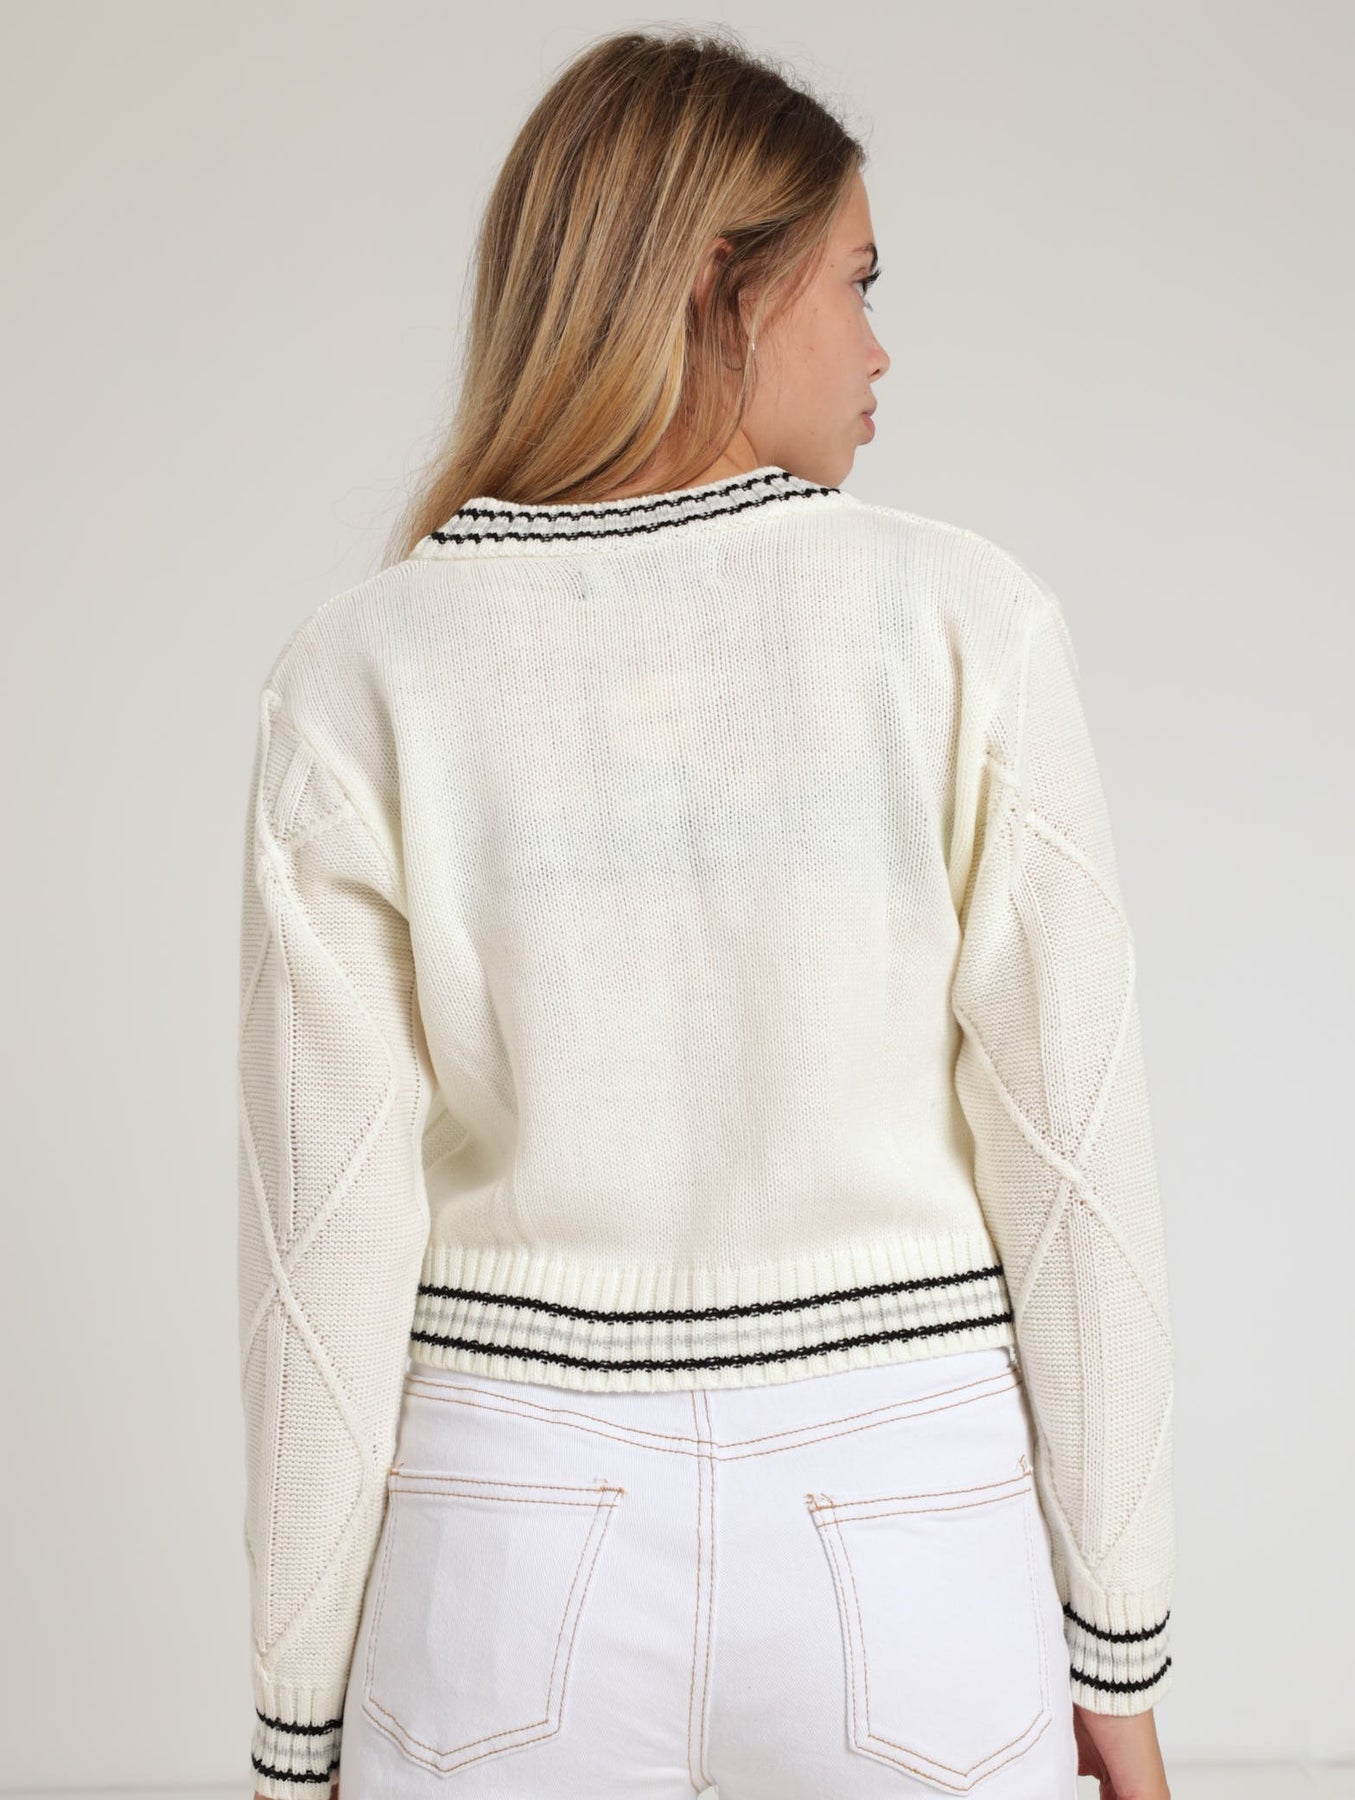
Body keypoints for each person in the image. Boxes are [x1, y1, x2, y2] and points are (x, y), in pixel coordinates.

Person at [238, 25, 1176, 1800]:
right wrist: (1116, 1657)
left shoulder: (365, 668)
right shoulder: (966, 619)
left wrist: (298, 1731)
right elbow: (1075, 1177)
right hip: (909, 1515)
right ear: (716, 285)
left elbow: (323, 1256)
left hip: (507, 1531)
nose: (882, 348)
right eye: (858, 280)